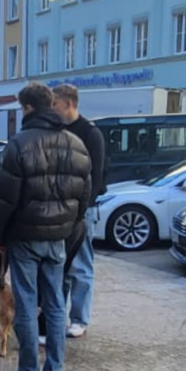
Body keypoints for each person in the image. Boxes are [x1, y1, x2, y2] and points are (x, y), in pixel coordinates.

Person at [0, 83, 92, 371]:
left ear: (28, 108)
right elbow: (83, 197)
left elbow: (5, 200)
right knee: (56, 305)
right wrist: (66, 226)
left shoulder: (18, 145)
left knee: (27, 304)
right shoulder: (76, 144)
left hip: (25, 238)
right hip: (58, 238)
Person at [52, 84, 106, 338]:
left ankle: (79, 319)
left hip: (82, 210)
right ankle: (57, 317)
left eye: (56, 104)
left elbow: (95, 177)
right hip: (61, 209)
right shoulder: (59, 130)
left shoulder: (90, 133)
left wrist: (81, 210)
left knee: (81, 266)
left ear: (69, 104)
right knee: (60, 265)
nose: (53, 109)